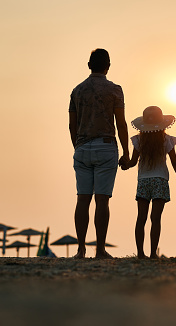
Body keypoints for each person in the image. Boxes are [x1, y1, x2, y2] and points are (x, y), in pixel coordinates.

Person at [69, 48, 130, 259]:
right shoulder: (114, 90)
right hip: (106, 146)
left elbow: (72, 125)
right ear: (108, 66)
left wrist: (77, 146)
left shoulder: (77, 91)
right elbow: (120, 123)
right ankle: (100, 249)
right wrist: (126, 152)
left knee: (82, 199)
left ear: (89, 65)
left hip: (83, 146)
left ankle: (80, 249)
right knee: (102, 201)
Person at [122, 106, 176, 259]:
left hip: (143, 181)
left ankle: (140, 253)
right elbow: (175, 163)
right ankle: (152, 253)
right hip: (160, 180)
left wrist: (125, 164)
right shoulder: (166, 140)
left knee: (141, 218)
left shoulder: (139, 140)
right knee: (155, 219)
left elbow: (132, 162)